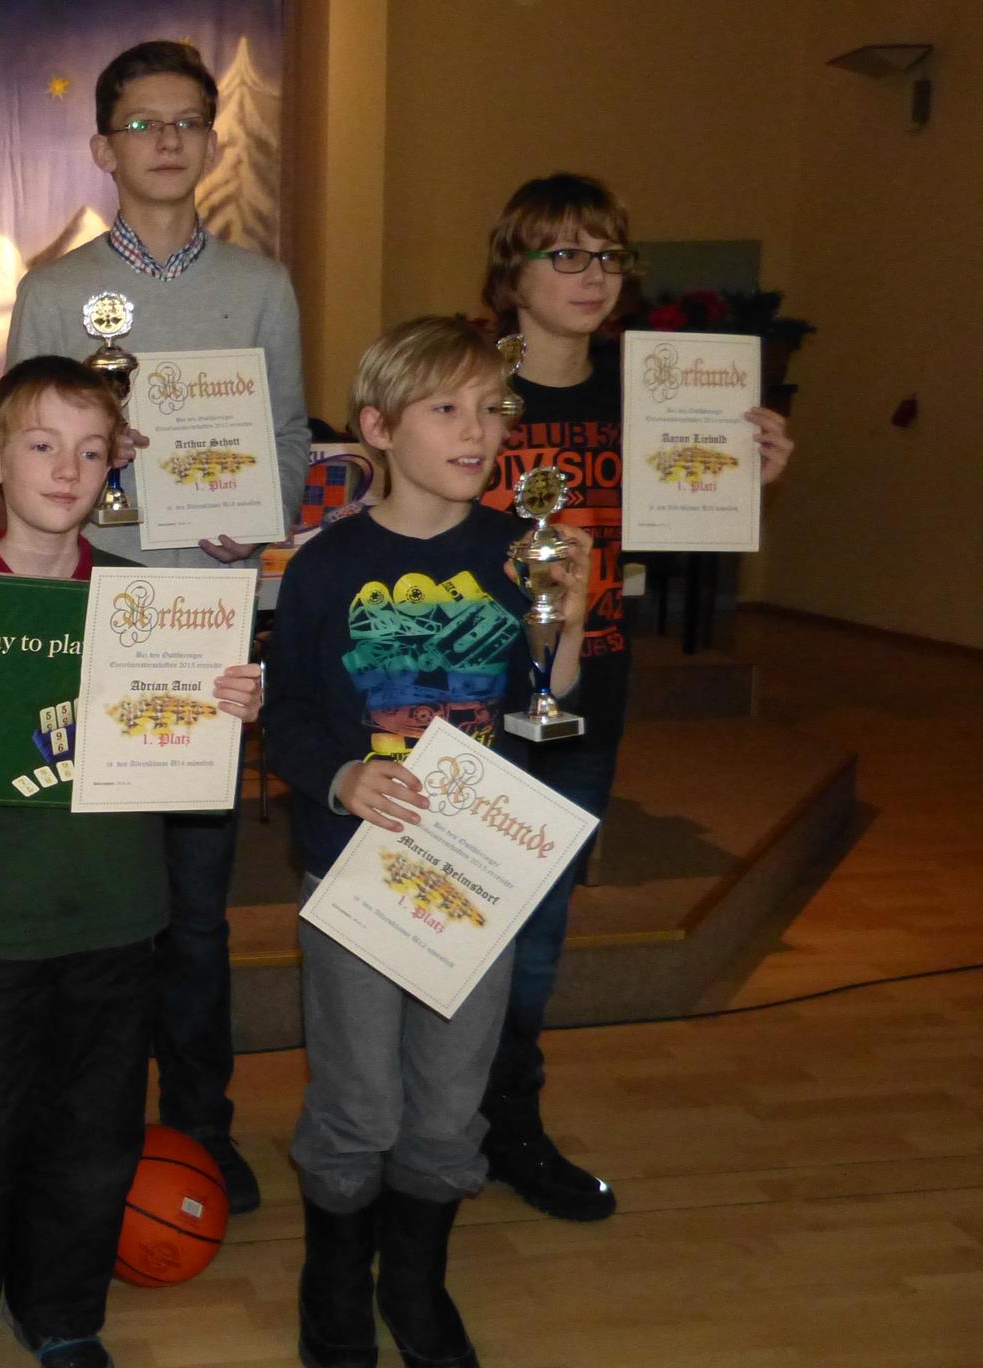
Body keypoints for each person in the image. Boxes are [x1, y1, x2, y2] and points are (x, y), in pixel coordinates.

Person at [0, 356, 263, 1368]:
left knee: (95, 1138)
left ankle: (61, 1313)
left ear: (114, 468)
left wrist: (228, 708)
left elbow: (189, 743)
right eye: (42, 445)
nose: (66, 469)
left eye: (91, 451)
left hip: (116, 915)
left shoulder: (152, 604)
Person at [3, 40, 310, 1212]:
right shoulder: (53, 292)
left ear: (213, 142)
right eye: (142, 123)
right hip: (88, 616)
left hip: (204, 621)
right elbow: (21, 453)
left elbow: (287, 437)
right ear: (102, 147)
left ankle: (198, 1126)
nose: (167, 140)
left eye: (187, 121)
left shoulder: (261, 286)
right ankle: (79, 1125)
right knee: (85, 899)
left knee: (193, 907)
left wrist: (252, 512)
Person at [263, 317, 590, 1368]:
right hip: (353, 871)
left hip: (474, 874)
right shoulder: (325, 567)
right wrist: (339, 775)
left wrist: (569, 617)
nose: (475, 430)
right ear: (377, 428)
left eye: (491, 409)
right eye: (445, 408)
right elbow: (286, 713)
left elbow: (544, 704)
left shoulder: (513, 553)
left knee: (449, 1104)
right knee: (358, 1102)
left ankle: (412, 1281)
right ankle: (332, 1280)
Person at [476, 173, 793, 1221]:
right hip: (462, 695)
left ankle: (509, 1121)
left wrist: (740, 476)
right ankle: (426, 1115)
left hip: (589, 688)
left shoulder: (650, 392)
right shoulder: (465, 384)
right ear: (511, 270)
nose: (591, 275)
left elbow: (679, 524)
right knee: (448, 911)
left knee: (539, 930)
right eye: (563, 253)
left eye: (607, 255)